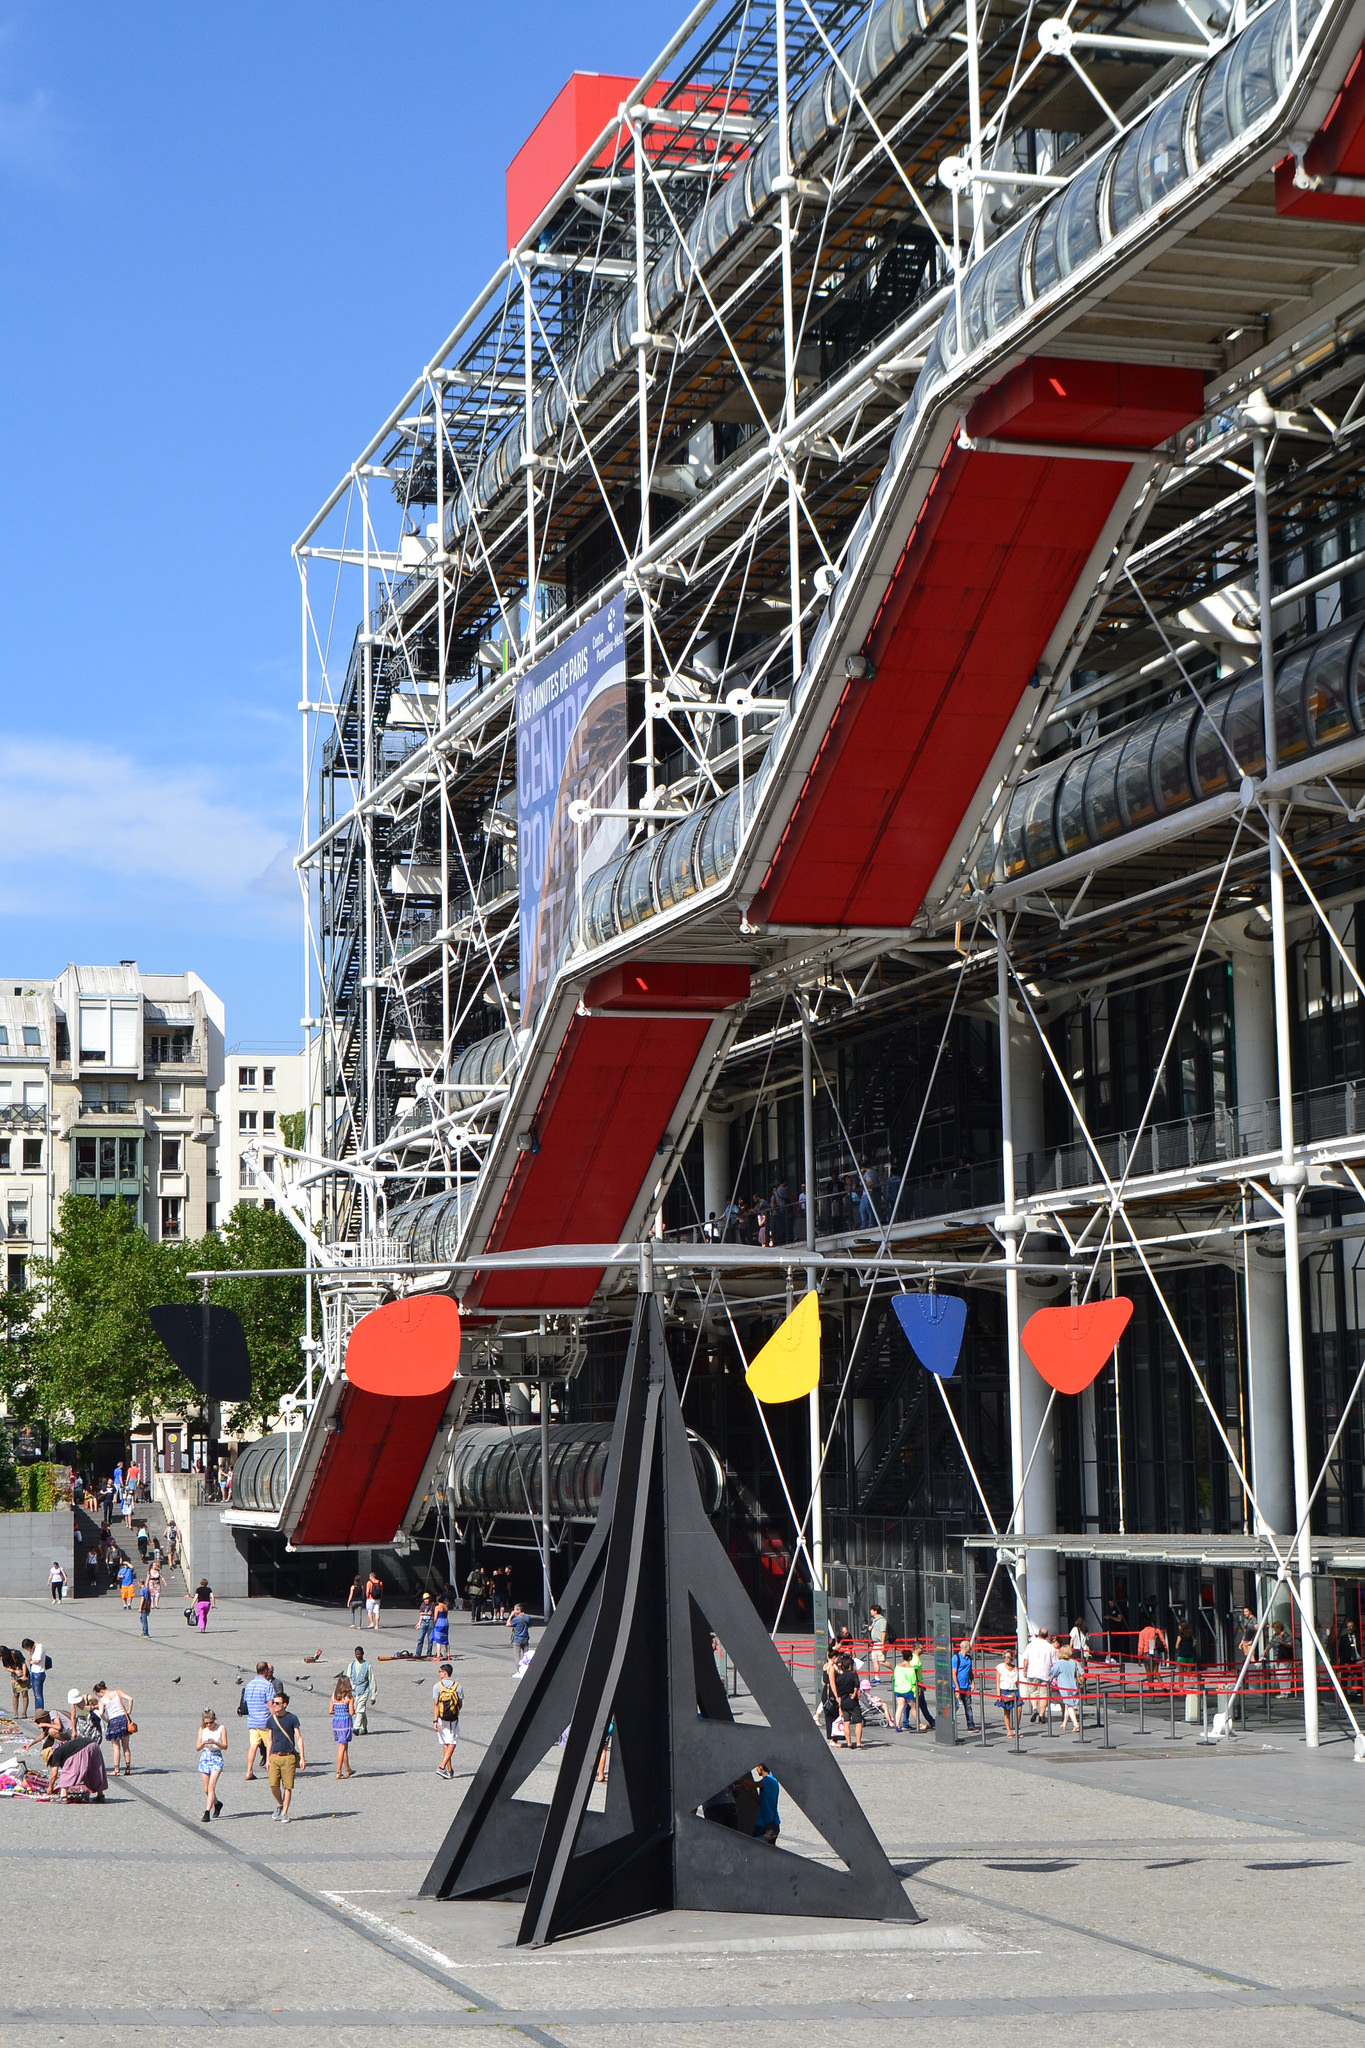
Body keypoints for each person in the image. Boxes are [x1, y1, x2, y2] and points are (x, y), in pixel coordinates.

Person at [266, 1689, 305, 1822]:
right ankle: (280, 1803)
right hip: (275, 1756)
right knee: (273, 1785)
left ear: (285, 1704)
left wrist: (303, 1758)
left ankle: (285, 1812)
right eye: (273, 1703)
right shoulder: (271, 1720)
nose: (274, 1705)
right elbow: (269, 1740)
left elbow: (299, 1737)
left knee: (287, 1786)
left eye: (277, 1703)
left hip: (289, 1756)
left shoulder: (292, 1718)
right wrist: (267, 1759)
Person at [242, 1660, 275, 1780]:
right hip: (265, 1721)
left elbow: (245, 1701)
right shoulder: (268, 1685)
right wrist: (276, 1719)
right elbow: (271, 1704)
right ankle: (271, 1769)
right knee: (270, 1745)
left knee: (253, 1746)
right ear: (266, 1671)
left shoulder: (249, 1684)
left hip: (252, 1721)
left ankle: (249, 1771)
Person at [93, 1679, 134, 1775]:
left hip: (113, 1722)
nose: (98, 1696)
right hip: (124, 1719)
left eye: (97, 1694)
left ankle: (116, 1770)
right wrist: (128, 1711)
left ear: (101, 1692)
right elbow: (130, 1699)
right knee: (126, 1746)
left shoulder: (102, 1700)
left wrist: (106, 1719)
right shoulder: (117, 1692)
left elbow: (101, 1712)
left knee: (116, 1747)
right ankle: (128, 1768)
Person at [432, 1661, 463, 1779]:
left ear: (445, 1673)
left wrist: (435, 1721)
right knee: (453, 1742)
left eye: (440, 1671)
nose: (439, 1673)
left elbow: (435, 1704)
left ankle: (449, 1770)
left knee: (446, 1743)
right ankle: (442, 1767)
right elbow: (460, 1703)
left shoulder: (437, 1686)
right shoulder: (457, 1686)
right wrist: (454, 1710)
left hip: (440, 1718)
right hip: (453, 1719)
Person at [197, 1707, 227, 1821]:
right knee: (206, 1789)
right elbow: (197, 1747)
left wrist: (215, 1742)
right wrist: (204, 1743)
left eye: (211, 1722)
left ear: (214, 1720)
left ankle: (207, 1812)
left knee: (211, 1787)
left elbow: (225, 1746)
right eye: (206, 1723)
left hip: (216, 1757)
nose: (209, 1725)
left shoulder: (221, 1728)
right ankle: (217, 1804)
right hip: (205, 1756)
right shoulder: (202, 1729)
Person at [1023, 1630, 1057, 1723]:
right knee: (1044, 1695)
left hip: (1032, 1672)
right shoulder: (1050, 1647)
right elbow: (1054, 1663)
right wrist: (1054, 1675)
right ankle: (1042, 1715)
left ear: (1038, 1634)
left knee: (1033, 1692)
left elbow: (1026, 1659)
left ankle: (1034, 1708)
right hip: (1045, 1673)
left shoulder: (1031, 1645)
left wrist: (1025, 1670)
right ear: (1047, 1636)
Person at [833, 1650, 863, 1749]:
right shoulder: (853, 1675)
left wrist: (840, 1706)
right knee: (858, 1722)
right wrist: (854, 1693)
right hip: (852, 1702)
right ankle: (858, 1742)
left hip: (844, 1702)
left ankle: (849, 1743)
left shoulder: (839, 1678)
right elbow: (857, 1685)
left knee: (846, 1723)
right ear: (850, 1666)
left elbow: (839, 1692)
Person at [330, 1674, 355, 1778]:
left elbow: (330, 1711)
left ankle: (348, 1768)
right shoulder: (349, 1698)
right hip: (345, 1723)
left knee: (344, 1746)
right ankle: (338, 1772)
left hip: (336, 1722)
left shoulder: (333, 1696)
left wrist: (338, 1711)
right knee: (341, 1747)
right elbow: (352, 1712)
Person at [347, 1644, 376, 1734]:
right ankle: (364, 1727)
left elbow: (372, 1680)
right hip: (354, 1692)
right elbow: (348, 1678)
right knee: (357, 1709)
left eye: (359, 1654)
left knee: (360, 1708)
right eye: (356, 1654)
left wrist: (373, 1696)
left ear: (363, 1653)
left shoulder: (368, 1665)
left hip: (364, 1691)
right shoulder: (351, 1665)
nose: (358, 1656)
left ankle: (356, 1727)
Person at [1052, 1645, 1081, 1732]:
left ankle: (1076, 1724)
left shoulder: (1059, 1663)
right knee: (1067, 1704)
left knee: (1069, 1705)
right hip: (1073, 1686)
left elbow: (1053, 1673)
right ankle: (1064, 1723)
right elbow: (1081, 1672)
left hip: (1064, 1687)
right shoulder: (1075, 1662)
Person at [908, 1642, 934, 1730]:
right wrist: (918, 1685)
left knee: (909, 1705)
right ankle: (931, 1721)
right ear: (916, 1649)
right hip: (915, 1686)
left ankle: (904, 1722)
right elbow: (914, 1672)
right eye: (921, 1648)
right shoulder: (915, 1659)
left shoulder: (912, 1657)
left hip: (914, 1685)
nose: (923, 1650)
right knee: (920, 1704)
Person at [951, 1639, 976, 1731]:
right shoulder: (955, 1658)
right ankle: (950, 1722)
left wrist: (972, 1682)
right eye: (969, 1646)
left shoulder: (969, 1658)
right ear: (965, 1648)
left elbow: (970, 1671)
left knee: (968, 1706)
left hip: (967, 1687)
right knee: (956, 1705)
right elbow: (953, 1673)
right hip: (958, 1687)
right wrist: (957, 1686)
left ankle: (971, 1725)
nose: (971, 1648)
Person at [753, 1762, 780, 1843]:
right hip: (771, 1821)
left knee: (754, 1847)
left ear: (760, 1768)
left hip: (766, 1823)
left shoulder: (768, 1780)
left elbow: (754, 1784)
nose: (756, 1770)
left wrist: (742, 1780)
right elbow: (761, 1802)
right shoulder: (773, 1780)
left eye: (757, 1768)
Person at [996, 1645, 1020, 1733]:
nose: (1006, 1659)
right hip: (1005, 1690)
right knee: (1007, 1711)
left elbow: (1017, 1681)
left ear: (1012, 1658)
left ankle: (1016, 1728)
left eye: (1008, 1657)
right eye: (1005, 1657)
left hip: (1014, 1690)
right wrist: (999, 1694)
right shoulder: (1000, 1667)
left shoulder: (1015, 1668)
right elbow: (998, 1682)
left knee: (1019, 1708)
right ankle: (1008, 1730)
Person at [892, 1648, 917, 1731]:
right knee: (913, 1708)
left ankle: (897, 1725)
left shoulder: (897, 1666)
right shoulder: (911, 1668)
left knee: (899, 1707)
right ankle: (918, 1724)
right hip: (908, 1690)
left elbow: (895, 1677)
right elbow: (913, 1681)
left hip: (899, 1689)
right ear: (910, 1658)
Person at [20, 1638, 47, 1713]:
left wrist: (31, 1662)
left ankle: (39, 1713)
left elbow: (37, 1660)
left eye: (27, 1648)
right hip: (34, 1672)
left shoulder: (39, 1647)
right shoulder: (34, 1649)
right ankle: (37, 1712)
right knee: (36, 1695)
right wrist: (31, 1653)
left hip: (38, 1673)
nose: (27, 1650)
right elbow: (29, 1660)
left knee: (38, 1695)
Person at [8, 1645, 30, 1720]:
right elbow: (7, 1667)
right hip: (15, 1675)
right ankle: (15, 1713)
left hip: (24, 1673)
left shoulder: (16, 1653)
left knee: (24, 1693)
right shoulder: (5, 1658)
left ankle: (24, 1712)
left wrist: (24, 1675)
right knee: (15, 1694)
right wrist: (15, 1671)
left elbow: (24, 1664)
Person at [867, 1605, 888, 1680]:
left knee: (882, 1661)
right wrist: (871, 1627)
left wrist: (882, 1645)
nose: (870, 1611)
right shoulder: (874, 1620)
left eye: (872, 1610)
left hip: (880, 1642)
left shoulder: (882, 1620)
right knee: (874, 1659)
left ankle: (895, 1670)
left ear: (875, 1611)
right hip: (875, 1643)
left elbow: (883, 1633)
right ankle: (877, 1677)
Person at [508, 1603, 531, 1669]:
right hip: (525, 1638)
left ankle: (519, 1669)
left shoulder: (516, 1619)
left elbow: (508, 1624)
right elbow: (530, 1624)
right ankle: (527, 1668)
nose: (514, 1611)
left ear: (519, 1610)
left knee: (517, 1656)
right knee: (526, 1655)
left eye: (515, 1610)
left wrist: (511, 1616)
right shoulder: (527, 1617)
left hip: (517, 1639)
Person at [415, 1593, 435, 1661]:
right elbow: (420, 1614)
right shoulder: (422, 1605)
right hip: (423, 1622)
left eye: (427, 1599)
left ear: (429, 1598)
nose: (426, 1600)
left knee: (430, 1639)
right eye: (425, 1599)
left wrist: (424, 1613)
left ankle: (429, 1652)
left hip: (430, 1622)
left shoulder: (432, 1604)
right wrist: (419, 1623)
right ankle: (418, 1653)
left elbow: (431, 1613)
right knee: (420, 1639)